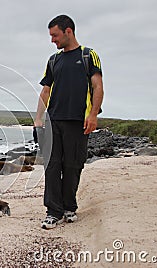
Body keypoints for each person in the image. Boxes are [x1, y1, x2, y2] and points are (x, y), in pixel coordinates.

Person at [34, 14, 104, 229]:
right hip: (54, 121)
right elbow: (45, 90)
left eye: (55, 35)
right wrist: (38, 119)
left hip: (78, 122)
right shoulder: (53, 60)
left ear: (68, 31)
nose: (52, 40)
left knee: (73, 166)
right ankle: (53, 212)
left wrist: (93, 115)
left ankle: (69, 207)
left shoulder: (88, 55)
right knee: (52, 166)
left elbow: (98, 87)